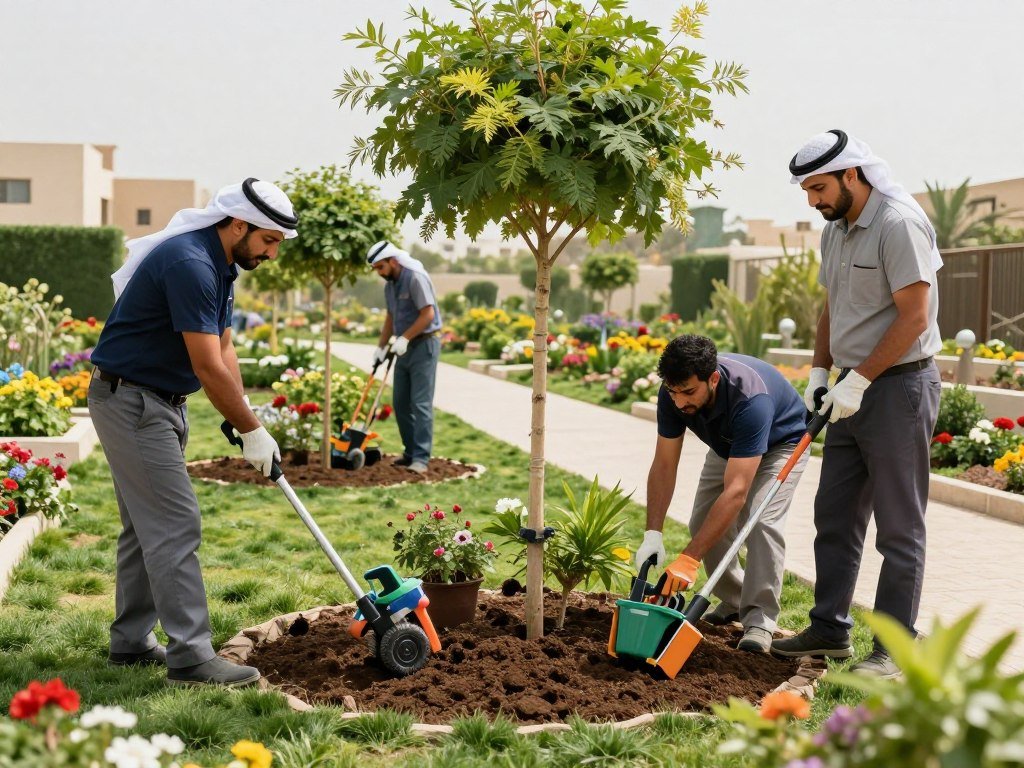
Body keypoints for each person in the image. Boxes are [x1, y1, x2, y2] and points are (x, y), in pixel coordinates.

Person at [89, 178, 298, 687]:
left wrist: (246, 419)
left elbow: (224, 348)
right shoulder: (191, 262)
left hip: (153, 401)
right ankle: (190, 656)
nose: (272, 253)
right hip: (134, 401)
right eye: (269, 240)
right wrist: (250, 430)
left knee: (146, 528)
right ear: (239, 224)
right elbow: (206, 365)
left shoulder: (221, 264)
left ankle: (132, 642)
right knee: (175, 525)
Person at [770, 130, 943, 678]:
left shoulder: (898, 224)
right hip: (848, 390)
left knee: (898, 526)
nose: (813, 201)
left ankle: (895, 647)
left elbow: (914, 317)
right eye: (806, 191)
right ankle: (829, 628)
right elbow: (831, 307)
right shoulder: (836, 232)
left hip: (899, 388)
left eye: (819, 188)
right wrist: (821, 371)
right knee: (836, 516)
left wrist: (861, 380)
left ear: (852, 175)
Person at [635, 335, 810, 653]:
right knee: (702, 520)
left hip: (781, 441)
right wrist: (653, 533)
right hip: (730, 444)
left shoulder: (750, 399)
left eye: (688, 392)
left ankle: (760, 620)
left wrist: (689, 559)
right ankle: (734, 599)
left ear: (712, 378)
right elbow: (664, 464)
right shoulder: (674, 393)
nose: (679, 402)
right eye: (673, 392)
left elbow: (737, 492)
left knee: (761, 522)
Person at [368, 241, 442, 474]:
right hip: (404, 347)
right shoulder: (390, 285)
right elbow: (390, 316)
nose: (379, 273)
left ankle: (421, 458)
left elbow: (428, 314)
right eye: (375, 269)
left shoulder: (415, 277)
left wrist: (406, 338)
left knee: (419, 403)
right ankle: (410, 452)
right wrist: (381, 347)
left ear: (393, 261)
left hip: (424, 345)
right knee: (400, 403)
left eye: (380, 267)